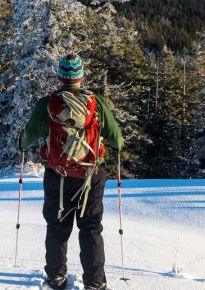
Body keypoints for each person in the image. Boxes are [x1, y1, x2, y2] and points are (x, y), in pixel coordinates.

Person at [20, 53, 124, 290]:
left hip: (58, 174)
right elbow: (116, 138)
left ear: (60, 77)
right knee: (90, 227)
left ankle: (56, 277)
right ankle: (95, 281)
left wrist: (23, 145)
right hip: (91, 174)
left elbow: (29, 136)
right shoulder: (95, 101)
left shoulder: (47, 104)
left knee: (57, 226)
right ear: (81, 76)